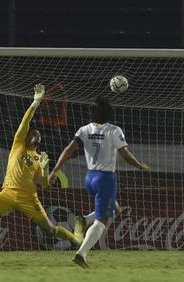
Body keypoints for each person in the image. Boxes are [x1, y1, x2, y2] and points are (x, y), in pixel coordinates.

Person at [0, 84, 82, 251]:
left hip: (29, 198)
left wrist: (45, 169)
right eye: (33, 132)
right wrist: (35, 103)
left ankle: (75, 239)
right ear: (26, 136)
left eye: (38, 134)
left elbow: (44, 184)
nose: (36, 134)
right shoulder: (18, 144)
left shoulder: (39, 158)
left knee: (50, 231)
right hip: (8, 192)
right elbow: (26, 121)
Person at [48, 96, 150, 268]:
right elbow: (125, 154)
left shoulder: (84, 130)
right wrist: (140, 166)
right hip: (105, 179)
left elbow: (68, 150)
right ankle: (81, 253)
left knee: (114, 208)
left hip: (90, 178)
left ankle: (85, 220)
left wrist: (54, 171)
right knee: (102, 220)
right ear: (109, 114)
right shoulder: (114, 130)